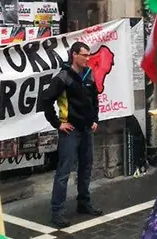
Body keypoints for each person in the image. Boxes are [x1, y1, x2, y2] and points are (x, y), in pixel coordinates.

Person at [39, 41, 103, 228]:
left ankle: (84, 203)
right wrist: (58, 124)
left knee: (86, 167)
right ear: (74, 55)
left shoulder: (89, 76)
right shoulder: (63, 77)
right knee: (64, 172)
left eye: (89, 55)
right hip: (71, 132)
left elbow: (95, 100)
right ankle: (57, 212)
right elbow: (46, 101)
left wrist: (94, 119)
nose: (87, 58)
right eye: (84, 55)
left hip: (86, 130)